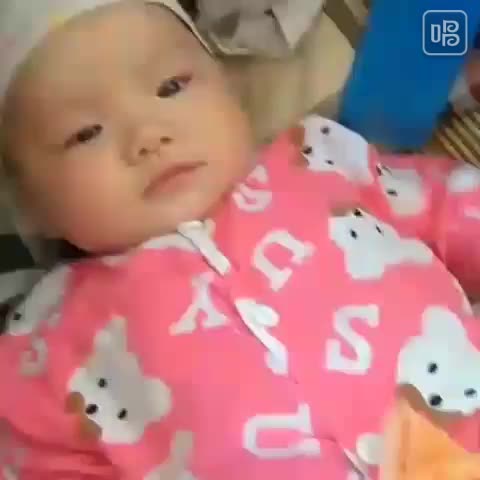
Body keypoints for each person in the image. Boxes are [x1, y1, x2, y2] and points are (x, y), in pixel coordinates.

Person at [1, 1, 480, 478]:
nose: (147, 136)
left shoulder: (318, 162)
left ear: (230, 93)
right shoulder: (45, 344)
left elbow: (451, 206)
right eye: (86, 133)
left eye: (171, 86)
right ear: (32, 207)